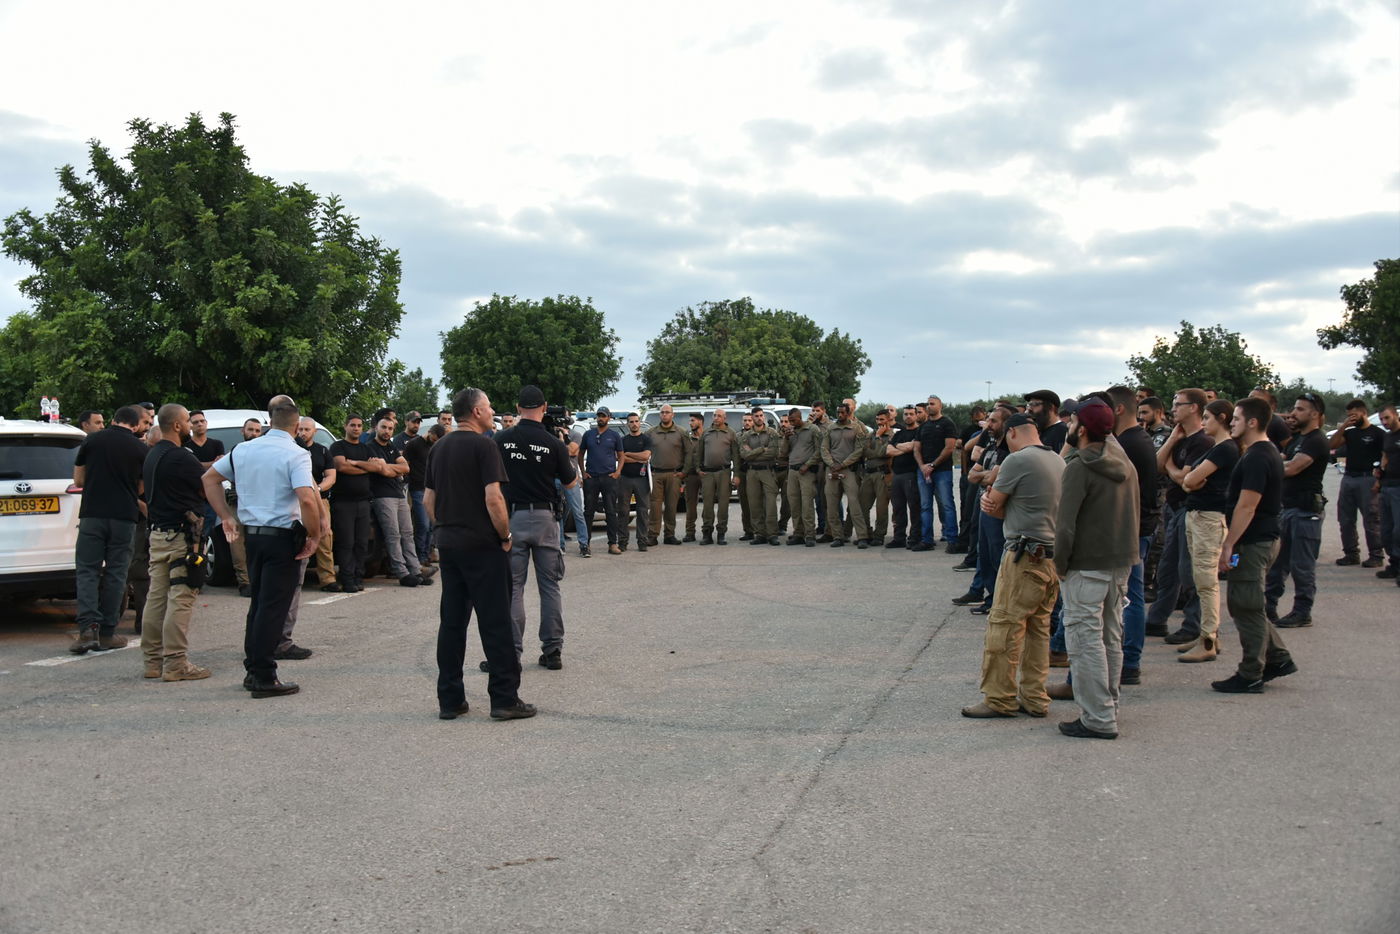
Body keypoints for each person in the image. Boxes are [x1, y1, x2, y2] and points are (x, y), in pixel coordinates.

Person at [203, 395, 323, 699]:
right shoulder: (296, 454)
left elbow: (209, 478)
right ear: (296, 426)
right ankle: (264, 675)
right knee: (273, 608)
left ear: (270, 423)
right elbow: (307, 498)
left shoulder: (244, 449)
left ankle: (253, 668)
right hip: (282, 537)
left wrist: (226, 516)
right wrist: (314, 535)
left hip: (253, 536)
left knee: (258, 605)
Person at [427, 387, 536, 721]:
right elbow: (494, 498)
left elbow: (428, 501)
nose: (492, 412)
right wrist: (505, 535)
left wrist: (446, 528)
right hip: (482, 545)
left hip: (449, 543)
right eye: (488, 407)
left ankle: (450, 699)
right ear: (475, 412)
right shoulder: (485, 446)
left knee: (452, 622)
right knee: (496, 621)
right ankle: (504, 698)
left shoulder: (438, 447)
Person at [960, 412, 1064, 720]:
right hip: (1051, 556)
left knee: (1004, 626)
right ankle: (1034, 697)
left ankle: (999, 698)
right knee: (1038, 631)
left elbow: (993, 505)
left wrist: (992, 502)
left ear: (1012, 433)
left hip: (1023, 556)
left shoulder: (1018, 460)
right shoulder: (1057, 460)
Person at [1050, 399, 1139, 739]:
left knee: (1085, 641)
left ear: (1083, 429)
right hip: (1120, 562)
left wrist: (1059, 564)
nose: (1069, 427)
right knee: (1109, 637)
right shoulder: (1123, 461)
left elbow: (1065, 524)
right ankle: (1108, 706)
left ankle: (1098, 718)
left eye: (1073, 422)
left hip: (1086, 565)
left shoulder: (1079, 466)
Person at [1213, 397, 1297, 693]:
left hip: (1253, 541)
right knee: (1248, 603)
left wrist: (1229, 544)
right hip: (1259, 539)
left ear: (1252, 422)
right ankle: (1278, 658)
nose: (1231, 423)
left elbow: (1247, 505)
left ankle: (1250, 674)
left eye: (1236, 418)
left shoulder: (1258, 456)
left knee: (1246, 605)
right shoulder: (1261, 452)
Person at [496, 385, 578, 670]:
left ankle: (511, 654)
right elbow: (571, 482)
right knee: (550, 586)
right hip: (545, 518)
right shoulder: (553, 442)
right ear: (544, 408)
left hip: (513, 517)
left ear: (518, 408)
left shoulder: (501, 439)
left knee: (514, 588)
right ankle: (553, 650)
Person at [138, 404, 211, 681]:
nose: (191, 425)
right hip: (182, 537)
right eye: (187, 421)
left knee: (156, 598)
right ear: (177, 425)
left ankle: (152, 662)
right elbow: (205, 488)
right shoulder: (182, 457)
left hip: (158, 535)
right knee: (181, 598)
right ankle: (176, 663)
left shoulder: (152, 454)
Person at [69, 405, 147, 654]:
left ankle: (87, 631)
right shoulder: (140, 448)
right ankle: (107, 633)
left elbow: (78, 480)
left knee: (87, 572)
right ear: (135, 425)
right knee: (116, 574)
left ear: (113, 420)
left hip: (92, 515)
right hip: (124, 517)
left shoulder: (92, 441)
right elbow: (141, 488)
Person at [1175, 399, 1239, 663]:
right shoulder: (1216, 448)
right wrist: (1190, 482)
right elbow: (1187, 481)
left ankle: (1208, 639)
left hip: (1208, 518)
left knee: (1206, 580)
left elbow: (1189, 479)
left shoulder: (1225, 449)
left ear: (1221, 418)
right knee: (1199, 578)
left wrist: (1191, 481)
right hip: (1198, 515)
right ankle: (1207, 632)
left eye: (1207, 418)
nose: (1203, 423)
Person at [1147, 389, 1212, 646]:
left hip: (1190, 509)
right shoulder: (1180, 437)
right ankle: (1157, 619)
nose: (1173, 409)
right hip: (1173, 509)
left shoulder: (1202, 441)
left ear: (1194, 407)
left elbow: (1185, 479)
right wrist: (1173, 438)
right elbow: (1157, 464)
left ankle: (1193, 624)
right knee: (1167, 569)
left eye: (1178, 404)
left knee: (1188, 571)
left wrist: (1171, 468)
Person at [1267, 392, 1329, 627]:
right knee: (1277, 564)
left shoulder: (1316, 440)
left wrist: (1265, 465)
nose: (1293, 413)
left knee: (1302, 566)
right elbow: (1281, 457)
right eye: (1294, 408)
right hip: (1289, 508)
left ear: (1315, 414)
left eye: (1300, 409)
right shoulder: (1298, 439)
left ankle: (1302, 612)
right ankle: (1268, 605)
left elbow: (1291, 468)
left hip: (1306, 512)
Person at [366, 415, 430, 587]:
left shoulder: (391, 447)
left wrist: (386, 466)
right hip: (382, 495)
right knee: (393, 535)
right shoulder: (369, 447)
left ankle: (415, 570)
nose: (387, 431)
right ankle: (401, 572)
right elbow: (383, 471)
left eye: (390, 428)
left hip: (398, 494)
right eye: (384, 427)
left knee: (408, 533)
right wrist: (392, 469)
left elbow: (406, 467)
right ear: (376, 428)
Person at [1329, 399, 1385, 568]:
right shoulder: (1350, 433)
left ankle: (1376, 555)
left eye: (1354, 415)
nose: (1351, 418)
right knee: (1345, 518)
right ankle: (1351, 553)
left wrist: (1380, 478)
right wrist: (1344, 426)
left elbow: (1386, 456)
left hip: (1368, 478)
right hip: (1349, 477)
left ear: (1364, 413)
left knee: (1371, 518)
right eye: (1349, 415)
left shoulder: (1377, 433)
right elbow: (1331, 444)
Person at [292, 416, 338, 591]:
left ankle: (328, 579)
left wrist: (316, 490)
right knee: (296, 538)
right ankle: (294, 579)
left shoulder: (323, 451)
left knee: (325, 538)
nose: (303, 433)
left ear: (314, 431)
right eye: (300, 429)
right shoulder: (292, 449)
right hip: (295, 501)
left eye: (307, 429)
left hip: (320, 500)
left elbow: (331, 477)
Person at [329, 416, 374, 592]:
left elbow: (375, 467)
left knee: (361, 543)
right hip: (343, 503)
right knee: (346, 543)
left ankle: (358, 577)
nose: (356, 428)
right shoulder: (337, 446)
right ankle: (347, 579)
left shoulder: (366, 448)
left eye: (359, 425)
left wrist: (355, 463)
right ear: (345, 426)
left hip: (364, 502)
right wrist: (365, 467)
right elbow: (341, 467)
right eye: (352, 425)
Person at [821, 401, 870, 548]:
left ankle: (862, 536)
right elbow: (824, 449)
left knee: (854, 504)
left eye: (843, 412)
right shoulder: (831, 428)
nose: (840, 415)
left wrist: (843, 464)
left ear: (848, 413)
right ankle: (837, 536)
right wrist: (832, 464)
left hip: (848, 469)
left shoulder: (856, 428)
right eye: (838, 412)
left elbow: (859, 450)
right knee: (831, 506)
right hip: (832, 469)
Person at [578, 406, 624, 556]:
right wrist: (583, 472)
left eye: (603, 416)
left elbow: (621, 455)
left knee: (611, 511)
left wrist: (617, 472)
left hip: (609, 478)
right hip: (591, 478)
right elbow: (580, 454)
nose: (601, 418)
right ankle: (585, 544)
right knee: (588, 512)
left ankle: (613, 544)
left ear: (609, 418)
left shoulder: (614, 435)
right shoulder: (588, 434)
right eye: (599, 416)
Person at [915, 395, 959, 551]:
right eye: (928, 404)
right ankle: (927, 540)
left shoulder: (947, 423)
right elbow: (916, 448)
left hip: (942, 471)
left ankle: (952, 540)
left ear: (940, 406)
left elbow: (949, 447)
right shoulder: (923, 426)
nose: (929, 406)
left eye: (932, 403)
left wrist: (933, 465)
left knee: (947, 505)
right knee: (925, 506)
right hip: (924, 472)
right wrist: (922, 466)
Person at [645, 404, 690, 546]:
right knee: (655, 507)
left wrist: (684, 471)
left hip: (674, 475)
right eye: (662, 412)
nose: (664, 415)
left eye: (667, 412)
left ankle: (669, 535)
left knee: (671, 506)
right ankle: (652, 535)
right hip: (656, 474)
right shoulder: (651, 433)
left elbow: (689, 453)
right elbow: (644, 451)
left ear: (672, 414)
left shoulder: (681, 432)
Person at [699, 408, 741, 545]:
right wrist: (698, 469)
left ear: (725, 418)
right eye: (714, 415)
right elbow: (699, 453)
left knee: (723, 505)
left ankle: (721, 533)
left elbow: (736, 455)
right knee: (707, 505)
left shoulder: (731, 433)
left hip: (724, 473)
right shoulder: (706, 433)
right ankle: (707, 533)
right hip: (708, 473)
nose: (716, 418)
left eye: (719, 416)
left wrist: (736, 474)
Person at [740, 408, 782, 545]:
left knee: (770, 505)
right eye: (756, 416)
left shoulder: (772, 433)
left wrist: (753, 453)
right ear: (752, 418)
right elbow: (744, 455)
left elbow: (773, 453)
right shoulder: (746, 436)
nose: (759, 418)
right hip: (752, 472)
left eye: (761, 415)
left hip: (768, 471)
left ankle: (772, 534)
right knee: (754, 504)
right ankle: (760, 534)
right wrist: (761, 449)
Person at [782, 407, 822, 546]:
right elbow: (783, 453)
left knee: (807, 505)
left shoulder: (812, 429)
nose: (791, 423)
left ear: (800, 417)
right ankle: (798, 533)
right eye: (790, 420)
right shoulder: (791, 432)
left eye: (793, 420)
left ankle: (810, 534)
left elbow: (819, 450)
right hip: (792, 471)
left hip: (806, 471)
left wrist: (808, 464)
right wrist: (786, 438)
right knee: (794, 504)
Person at [404, 423, 441, 566]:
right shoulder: (414, 444)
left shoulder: (435, 446)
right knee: (423, 524)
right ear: (430, 432)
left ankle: (426, 555)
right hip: (417, 488)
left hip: (432, 489)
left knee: (431, 525)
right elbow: (405, 463)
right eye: (434, 439)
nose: (435, 442)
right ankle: (420, 556)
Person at [886, 406, 921, 550]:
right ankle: (899, 538)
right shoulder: (899, 433)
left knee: (914, 508)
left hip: (911, 474)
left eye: (911, 414)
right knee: (898, 508)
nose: (908, 416)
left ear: (916, 415)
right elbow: (888, 450)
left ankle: (915, 538)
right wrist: (902, 448)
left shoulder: (919, 431)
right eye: (906, 414)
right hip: (897, 474)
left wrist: (898, 447)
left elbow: (911, 447)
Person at [954, 405, 988, 552]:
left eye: (981, 419)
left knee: (976, 513)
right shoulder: (972, 432)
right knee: (966, 509)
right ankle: (964, 540)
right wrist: (964, 472)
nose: (979, 422)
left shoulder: (993, 433)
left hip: (983, 476)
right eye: (976, 420)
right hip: (970, 473)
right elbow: (966, 449)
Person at [617, 412, 653, 552]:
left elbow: (646, 456)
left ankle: (642, 541)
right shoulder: (622, 440)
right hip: (624, 478)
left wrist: (628, 454)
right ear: (627, 424)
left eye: (636, 421)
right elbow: (620, 457)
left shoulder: (646, 439)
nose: (634, 424)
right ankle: (622, 542)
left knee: (643, 511)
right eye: (631, 422)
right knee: (623, 511)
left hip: (641, 479)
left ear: (640, 423)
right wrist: (637, 458)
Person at [858, 409, 893, 546]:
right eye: (877, 419)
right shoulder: (871, 434)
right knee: (863, 505)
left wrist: (878, 438)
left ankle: (879, 535)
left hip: (882, 474)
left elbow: (883, 453)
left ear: (888, 420)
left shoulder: (892, 435)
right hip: (868, 473)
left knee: (881, 507)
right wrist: (876, 450)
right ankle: (866, 533)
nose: (879, 422)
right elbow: (864, 451)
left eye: (882, 419)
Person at [1375, 404, 1400, 582]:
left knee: (1399, 531)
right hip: (1386, 486)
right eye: (1382, 419)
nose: (1384, 422)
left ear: (1396, 415)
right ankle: (1394, 565)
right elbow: (1385, 456)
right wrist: (1379, 475)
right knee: (1386, 530)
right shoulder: (1388, 436)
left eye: (1387, 418)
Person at [683, 412, 705, 543]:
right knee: (690, 505)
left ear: (700, 422)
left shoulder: (707, 437)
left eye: (693, 420)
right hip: (691, 475)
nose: (690, 423)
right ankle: (690, 532)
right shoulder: (688, 438)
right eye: (690, 421)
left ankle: (707, 532)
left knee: (708, 505)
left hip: (705, 474)